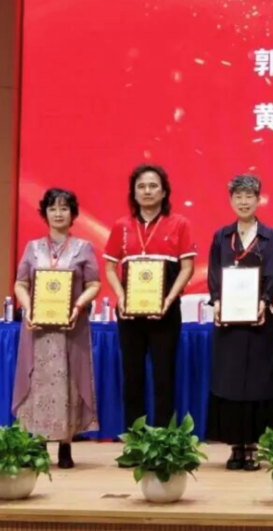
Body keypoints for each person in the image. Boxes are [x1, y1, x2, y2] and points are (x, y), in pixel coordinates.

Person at [103, 164, 196, 433]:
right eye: (141, 186)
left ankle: (163, 441)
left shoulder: (179, 223)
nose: (147, 191)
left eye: (153, 186)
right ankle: (135, 439)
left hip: (166, 311)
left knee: (164, 376)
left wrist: (169, 299)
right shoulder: (121, 226)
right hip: (129, 313)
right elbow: (109, 267)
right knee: (132, 376)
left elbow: (187, 267)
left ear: (164, 192)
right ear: (133, 193)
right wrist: (120, 297)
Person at [12, 188, 101, 469]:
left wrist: (78, 306)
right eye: (52, 208)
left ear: (73, 214)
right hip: (38, 328)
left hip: (70, 328)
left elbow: (94, 284)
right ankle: (38, 444)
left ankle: (65, 445)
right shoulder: (32, 247)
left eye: (64, 208)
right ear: (45, 213)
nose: (58, 213)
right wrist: (28, 308)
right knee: (38, 383)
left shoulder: (83, 247)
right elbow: (21, 283)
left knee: (68, 384)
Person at [206, 174, 273, 471]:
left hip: (260, 320)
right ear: (231, 200)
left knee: (257, 381)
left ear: (258, 199)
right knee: (230, 380)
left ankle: (253, 445)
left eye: (249, 196)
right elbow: (215, 272)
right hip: (229, 321)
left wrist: (264, 300)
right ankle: (235, 446)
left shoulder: (270, 236)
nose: (243, 201)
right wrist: (217, 300)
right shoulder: (221, 236)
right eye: (238, 196)